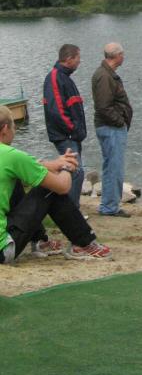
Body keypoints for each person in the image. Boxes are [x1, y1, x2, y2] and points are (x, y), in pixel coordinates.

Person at [0, 106, 112, 263]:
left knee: (15, 180)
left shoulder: (9, 158)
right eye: (14, 126)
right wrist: (67, 167)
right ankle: (83, 243)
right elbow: (62, 187)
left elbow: (28, 166)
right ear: (5, 129)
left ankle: (39, 240)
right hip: (3, 252)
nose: (15, 130)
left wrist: (57, 163)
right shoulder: (10, 156)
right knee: (49, 189)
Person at [91, 42, 133, 218]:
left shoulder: (107, 74)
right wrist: (120, 122)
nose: (124, 57)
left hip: (112, 127)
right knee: (113, 167)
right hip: (110, 128)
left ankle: (110, 205)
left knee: (112, 166)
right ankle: (109, 207)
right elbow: (103, 107)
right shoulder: (104, 76)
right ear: (117, 56)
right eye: (122, 54)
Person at [42, 43, 86, 208]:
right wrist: (73, 130)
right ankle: (70, 213)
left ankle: (70, 210)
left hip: (71, 135)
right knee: (76, 171)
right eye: (78, 58)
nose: (79, 61)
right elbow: (57, 111)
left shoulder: (64, 78)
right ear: (69, 59)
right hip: (65, 136)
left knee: (75, 171)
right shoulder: (55, 77)